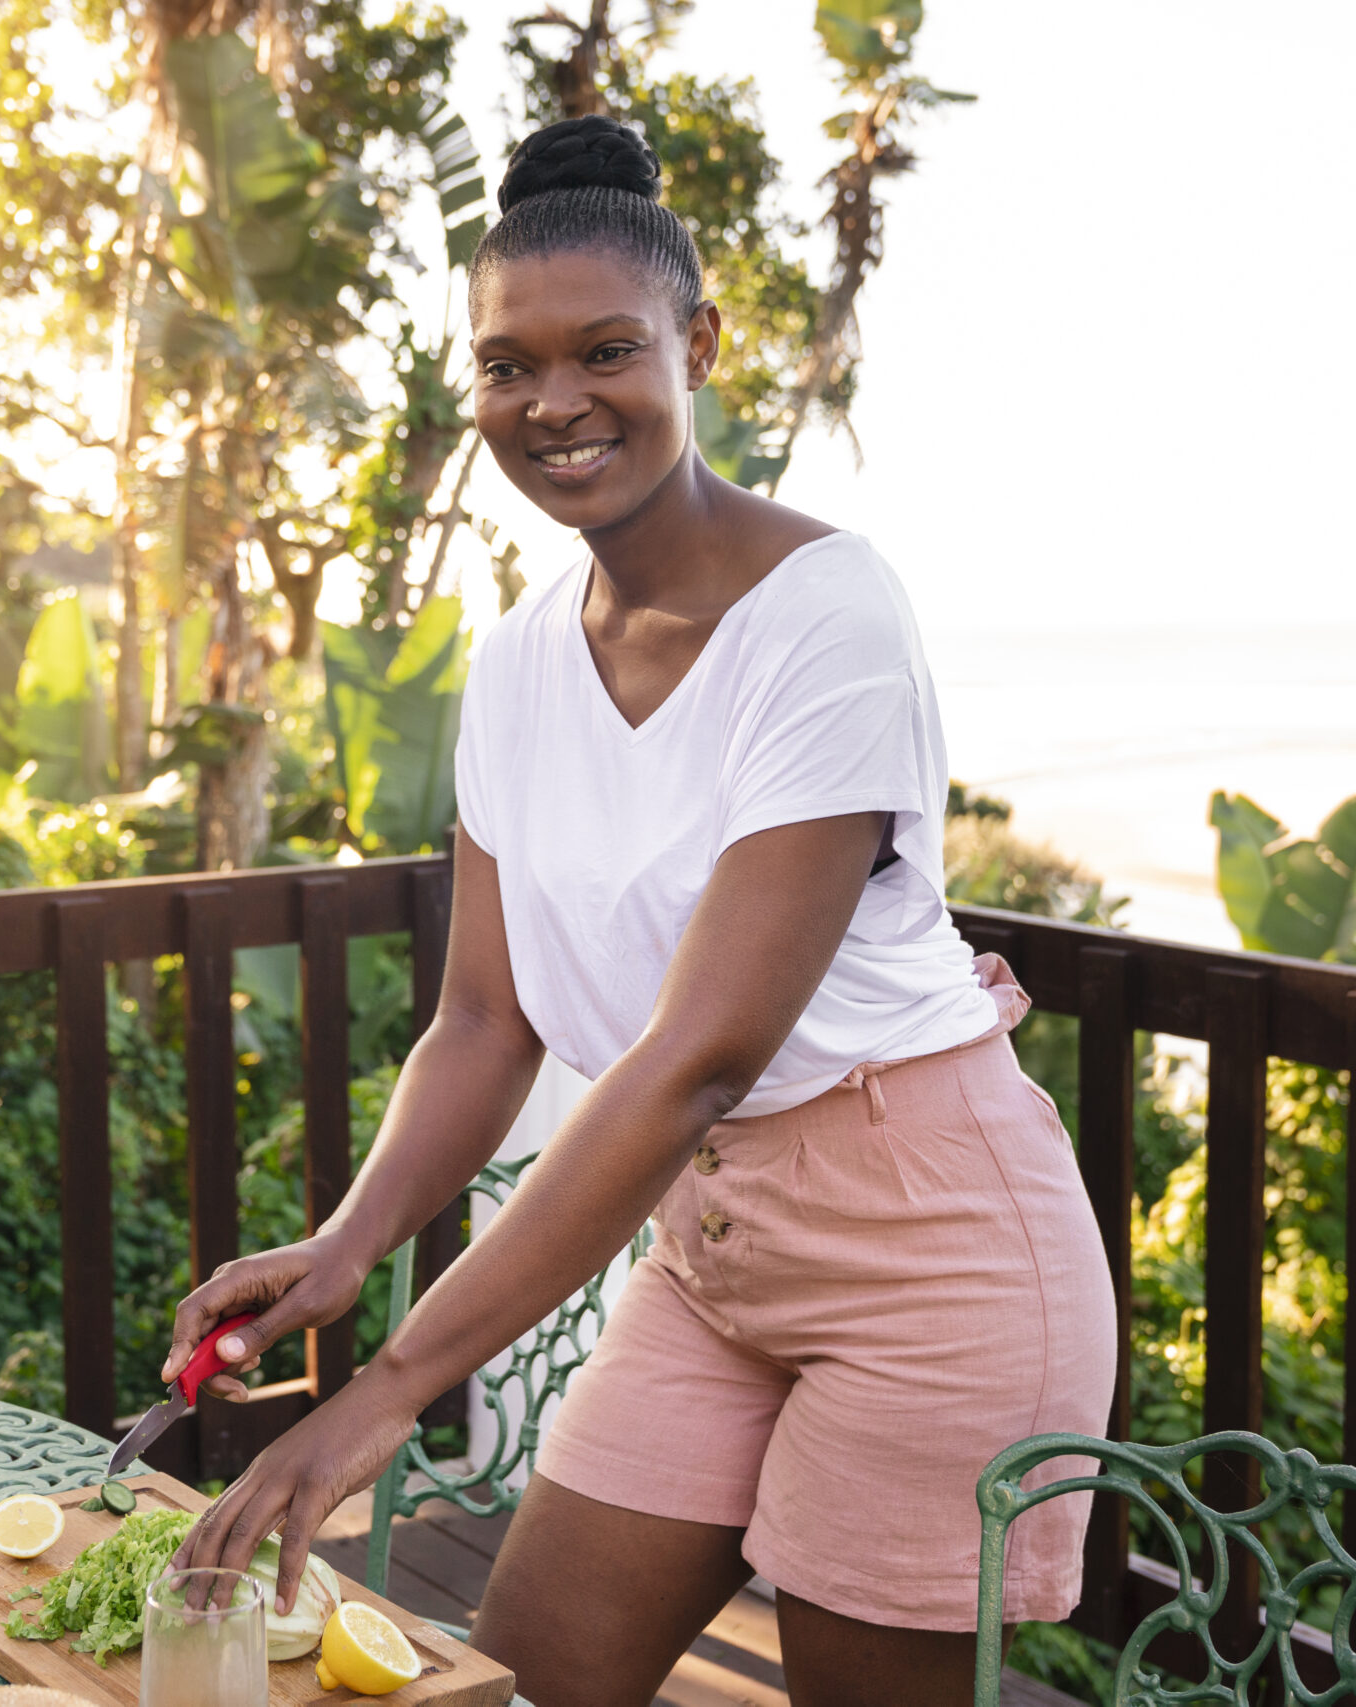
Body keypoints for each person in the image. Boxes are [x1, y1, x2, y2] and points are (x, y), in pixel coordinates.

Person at [166, 113, 1115, 1704]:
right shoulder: (519, 657)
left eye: (605, 351)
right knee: (524, 1683)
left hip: (926, 1244)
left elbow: (697, 1058)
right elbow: (486, 1017)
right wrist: (347, 1242)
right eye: (505, 367)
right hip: (709, 1243)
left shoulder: (825, 616)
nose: (553, 403)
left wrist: (392, 1387)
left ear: (700, 344)